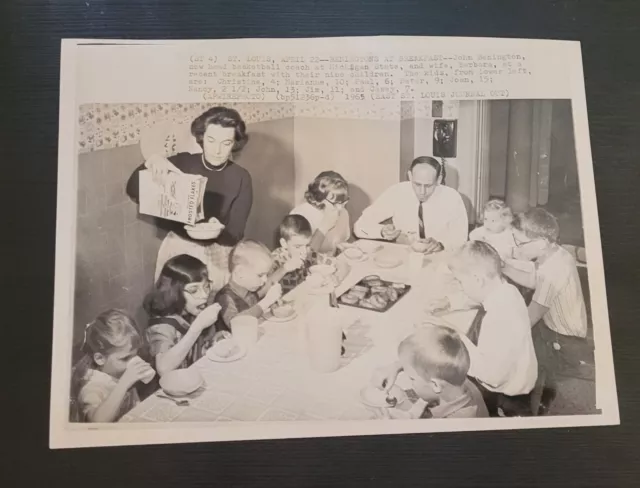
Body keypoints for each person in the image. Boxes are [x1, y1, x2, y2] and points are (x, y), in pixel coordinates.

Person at [126, 106, 252, 291]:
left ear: (234, 143)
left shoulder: (241, 177)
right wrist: (151, 162)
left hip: (217, 255)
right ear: (201, 138)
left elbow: (235, 233)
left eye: (226, 143)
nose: (217, 150)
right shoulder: (183, 162)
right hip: (179, 249)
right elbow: (133, 189)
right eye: (211, 140)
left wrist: (217, 230)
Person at [448, 240, 538, 415]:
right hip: (516, 378)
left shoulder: (499, 318)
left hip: (506, 397)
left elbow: (492, 377)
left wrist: (454, 335)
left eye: (460, 281)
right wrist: (450, 302)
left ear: (477, 279)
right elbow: (480, 297)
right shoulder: (507, 291)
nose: (460, 287)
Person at [502, 208, 591, 379]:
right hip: (558, 329)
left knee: (528, 367)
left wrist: (503, 336)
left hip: (564, 341)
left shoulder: (553, 270)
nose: (516, 250)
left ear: (541, 243)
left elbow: (532, 316)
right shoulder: (555, 254)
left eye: (520, 244)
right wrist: (504, 267)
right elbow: (533, 280)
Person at [371, 325, 488, 419]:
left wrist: (388, 430)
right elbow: (430, 383)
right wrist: (397, 366)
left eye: (412, 379)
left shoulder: (456, 424)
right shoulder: (455, 380)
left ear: (435, 385)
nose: (410, 381)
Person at [354, 156, 468, 251]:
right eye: (417, 184)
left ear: (439, 180)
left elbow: (461, 240)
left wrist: (441, 245)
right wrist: (381, 232)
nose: (422, 192)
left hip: (439, 258)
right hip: (405, 257)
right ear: (410, 176)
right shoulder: (397, 192)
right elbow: (359, 227)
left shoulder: (452, 198)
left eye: (428, 186)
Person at [143, 254, 224, 376]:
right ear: (175, 292)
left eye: (206, 286)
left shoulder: (192, 311)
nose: (204, 295)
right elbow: (163, 369)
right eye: (194, 290)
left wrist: (215, 339)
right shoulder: (161, 326)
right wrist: (197, 327)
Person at [70, 309, 155, 422]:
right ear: (100, 359)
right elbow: (97, 422)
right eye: (125, 358)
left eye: (135, 355)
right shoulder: (93, 386)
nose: (133, 361)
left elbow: (134, 406)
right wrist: (124, 383)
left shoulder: (119, 373)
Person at [210, 240, 283, 333]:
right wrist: (266, 302)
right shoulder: (224, 298)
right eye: (260, 275)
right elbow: (236, 323)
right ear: (240, 272)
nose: (265, 280)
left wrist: (272, 302)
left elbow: (264, 291)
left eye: (266, 275)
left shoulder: (249, 289)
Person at [271, 214, 351, 295]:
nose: (304, 251)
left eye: (306, 245)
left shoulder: (308, 253)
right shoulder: (275, 259)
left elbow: (343, 264)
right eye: (297, 246)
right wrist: (284, 269)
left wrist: (336, 277)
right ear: (284, 243)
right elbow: (262, 291)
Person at [289, 171, 351, 256]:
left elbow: (339, 242)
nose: (340, 208)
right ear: (318, 199)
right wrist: (323, 228)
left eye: (343, 202)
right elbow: (302, 259)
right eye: (335, 203)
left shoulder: (344, 212)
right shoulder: (298, 216)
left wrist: (341, 248)